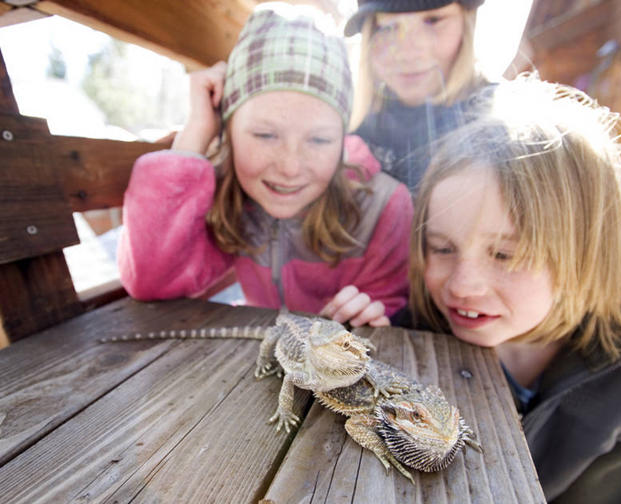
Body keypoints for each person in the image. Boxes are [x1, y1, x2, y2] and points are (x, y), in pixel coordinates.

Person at [398, 76, 621, 504]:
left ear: (584, 251)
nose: (462, 285)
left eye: (505, 255)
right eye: (441, 248)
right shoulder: (413, 335)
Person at [118, 4, 413, 327]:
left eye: (319, 140)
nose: (289, 167)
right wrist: (195, 134)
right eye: (265, 134)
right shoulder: (229, 193)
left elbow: (387, 304)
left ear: (342, 139)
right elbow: (152, 282)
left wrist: (364, 315)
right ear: (227, 130)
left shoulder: (384, 206)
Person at [344, 0, 489, 191]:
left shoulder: (499, 128)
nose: (408, 52)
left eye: (433, 20)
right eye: (389, 26)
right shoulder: (338, 127)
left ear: (467, 20)